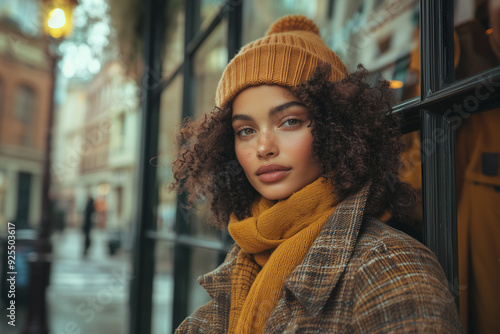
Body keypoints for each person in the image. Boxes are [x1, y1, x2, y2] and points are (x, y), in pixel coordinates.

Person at [171, 15, 463, 333]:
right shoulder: (244, 259)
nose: (263, 147)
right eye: (245, 130)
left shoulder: (390, 267)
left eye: (290, 121)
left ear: (336, 128)